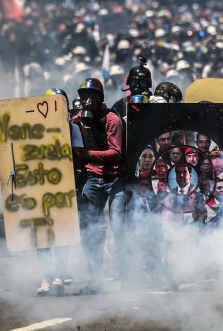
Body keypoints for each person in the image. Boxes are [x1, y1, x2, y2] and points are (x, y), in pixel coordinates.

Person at [71, 77, 127, 294]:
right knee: (89, 229)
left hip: (115, 178)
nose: (88, 100)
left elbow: (117, 152)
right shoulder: (78, 121)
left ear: (100, 98)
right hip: (93, 179)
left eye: (92, 96)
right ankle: (95, 279)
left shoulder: (111, 120)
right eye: (84, 96)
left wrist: (88, 154)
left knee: (120, 228)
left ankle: (126, 276)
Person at [35, 88, 73, 296]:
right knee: (41, 235)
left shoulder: (73, 128)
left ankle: (59, 274)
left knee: (62, 234)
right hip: (41, 188)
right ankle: (45, 277)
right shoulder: (34, 128)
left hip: (63, 188)